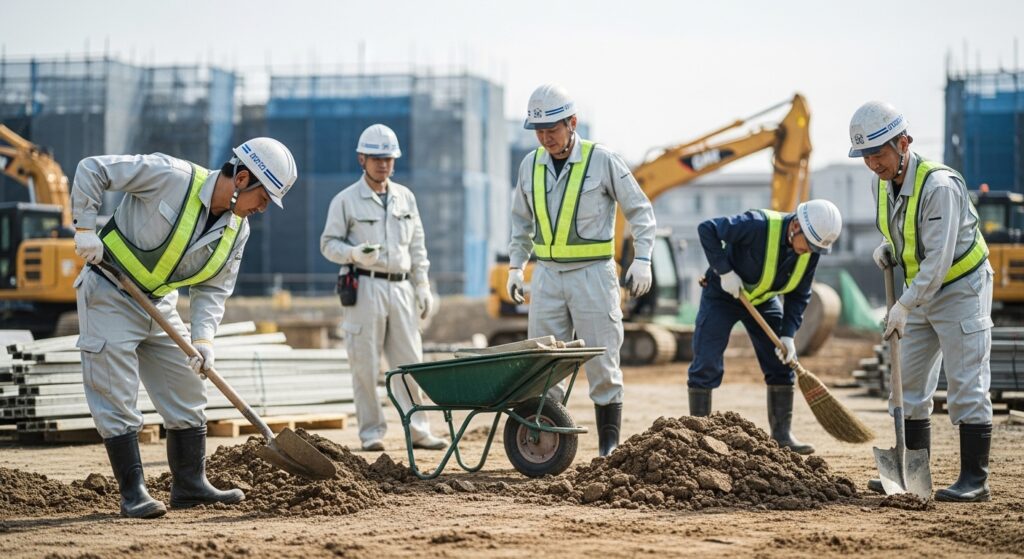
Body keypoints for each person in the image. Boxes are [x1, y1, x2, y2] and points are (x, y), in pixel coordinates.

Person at [71, 138, 298, 518]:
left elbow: (213, 289)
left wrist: (203, 340)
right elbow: (92, 168)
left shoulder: (237, 230)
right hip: (109, 290)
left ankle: (190, 485)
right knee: (116, 392)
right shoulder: (170, 176)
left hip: (158, 303)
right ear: (242, 178)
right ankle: (133, 493)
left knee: (187, 389)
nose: (262, 208)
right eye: (263, 198)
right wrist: (84, 227)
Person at [850, 100, 993, 502]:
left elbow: (940, 259)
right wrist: (889, 247)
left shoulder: (939, 186)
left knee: (966, 384)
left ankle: (974, 480)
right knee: (906, 386)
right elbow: (902, 231)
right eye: (865, 156)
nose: (872, 163)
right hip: (918, 292)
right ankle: (913, 472)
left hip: (960, 288)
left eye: (878, 153)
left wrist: (904, 305)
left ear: (904, 143)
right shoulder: (881, 183)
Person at [507, 84, 657, 457]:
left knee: (603, 362)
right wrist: (515, 267)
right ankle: (546, 445)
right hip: (547, 277)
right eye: (539, 131)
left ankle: (609, 447)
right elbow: (520, 223)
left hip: (593, 275)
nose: (546, 138)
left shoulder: (602, 160)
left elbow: (640, 210)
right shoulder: (530, 165)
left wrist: (643, 258)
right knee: (544, 365)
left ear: (572, 123)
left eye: (552, 130)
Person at [320, 124, 446, 453]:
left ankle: (418, 430)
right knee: (365, 364)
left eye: (388, 159)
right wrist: (352, 253)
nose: (383, 164)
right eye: (376, 159)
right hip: (365, 287)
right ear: (362, 159)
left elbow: (417, 246)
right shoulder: (346, 200)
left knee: (410, 362)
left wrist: (423, 286)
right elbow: (327, 244)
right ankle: (371, 432)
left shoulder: (406, 198)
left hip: (401, 288)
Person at [688, 200, 843, 455]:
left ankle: (782, 435)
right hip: (723, 294)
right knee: (706, 362)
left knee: (781, 362)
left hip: (762, 301)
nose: (809, 251)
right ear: (796, 226)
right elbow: (707, 228)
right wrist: (724, 271)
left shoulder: (810, 253)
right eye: (808, 244)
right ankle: (699, 433)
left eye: (816, 248)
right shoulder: (757, 225)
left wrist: (788, 335)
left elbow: (799, 295)